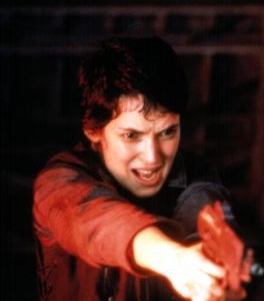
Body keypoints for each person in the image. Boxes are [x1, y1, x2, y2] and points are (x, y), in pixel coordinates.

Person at [33, 36, 250, 300]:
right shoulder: (58, 181)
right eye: (131, 136)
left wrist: (211, 265)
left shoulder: (197, 175)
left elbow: (202, 207)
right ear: (93, 131)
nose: (152, 157)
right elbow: (95, 222)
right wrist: (173, 259)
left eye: (167, 132)